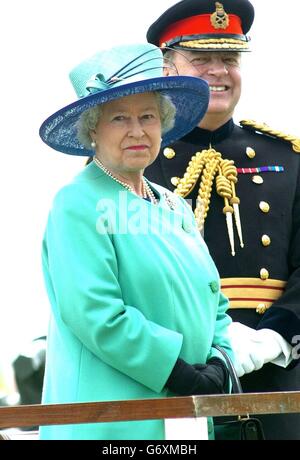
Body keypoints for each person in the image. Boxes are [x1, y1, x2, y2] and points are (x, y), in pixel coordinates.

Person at [38, 43, 233, 440]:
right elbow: (96, 314)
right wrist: (178, 370)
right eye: (119, 118)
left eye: (148, 116)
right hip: (110, 423)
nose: (137, 130)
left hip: (185, 418)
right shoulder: (77, 204)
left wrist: (219, 361)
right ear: (92, 129)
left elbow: (215, 302)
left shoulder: (174, 205)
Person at [145, 0, 300, 440]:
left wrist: (276, 337)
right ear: (167, 68)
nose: (219, 71)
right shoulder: (136, 162)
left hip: (277, 375)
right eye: (202, 59)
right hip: (180, 374)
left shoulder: (286, 158)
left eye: (229, 59)